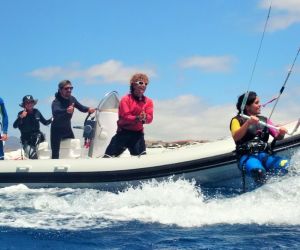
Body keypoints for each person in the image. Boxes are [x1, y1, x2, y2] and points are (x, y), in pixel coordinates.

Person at [230, 91, 289, 183]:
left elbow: (277, 136)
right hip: (247, 158)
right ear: (247, 106)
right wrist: (248, 122)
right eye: (256, 103)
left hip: (265, 156)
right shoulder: (237, 120)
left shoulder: (265, 120)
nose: (260, 105)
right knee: (259, 172)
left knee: (286, 165)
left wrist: (281, 133)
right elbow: (236, 137)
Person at [104, 73, 153, 157]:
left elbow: (150, 118)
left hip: (138, 135)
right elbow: (125, 116)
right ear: (133, 84)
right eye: (141, 83)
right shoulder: (125, 99)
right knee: (107, 158)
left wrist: (145, 118)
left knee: (142, 161)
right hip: (123, 133)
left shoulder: (149, 101)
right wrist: (138, 118)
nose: (144, 85)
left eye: (146, 84)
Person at [51, 80, 95, 159]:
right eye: (66, 88)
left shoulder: (72, 99)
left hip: (67, 129)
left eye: (71, 88)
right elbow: (55, 112)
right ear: (60, 90)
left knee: (74, 147)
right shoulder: (56, 101)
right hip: (56, 131)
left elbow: (81, 107)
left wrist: (88, 109)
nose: (69, 90)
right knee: (55, 154)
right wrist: (66, 110)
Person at [13, 95, 52, 159]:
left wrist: (53, 118)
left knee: (42, 156)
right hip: (26, 140)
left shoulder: (37, 112)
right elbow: (14, 126)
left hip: (38, 138)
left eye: (31, 102)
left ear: (33, 103)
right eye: (27, 103)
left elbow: (45, 122)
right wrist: (21, 117)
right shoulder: (21, 113)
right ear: (24, 105)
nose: (29, 104)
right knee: (31, 156)